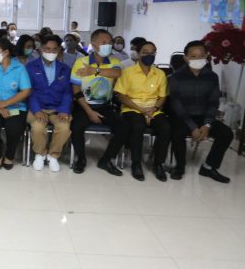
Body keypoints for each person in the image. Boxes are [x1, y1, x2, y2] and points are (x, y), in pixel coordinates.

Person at [169, 40, 232, 183]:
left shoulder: (212, 77)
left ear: (207, 56)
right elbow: (176, 104)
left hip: (203, 117)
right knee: (177, 133)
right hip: (183, 117)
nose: (198, 59)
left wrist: (207, 124)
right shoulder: (176, 77)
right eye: (193, 56)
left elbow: (213, 102)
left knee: (226, 133)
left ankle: (208, 167)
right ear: (186, 58)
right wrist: (192, 127)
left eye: (202, 56)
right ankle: (179, 167)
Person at [70, 29, 127, 176]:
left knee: (123, 126)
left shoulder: (114, 62)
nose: (108, 45)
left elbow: (116, 73)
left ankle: (106, 160)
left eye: (109, 42)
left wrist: (94, 71)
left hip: (105, 106)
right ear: (94, 44)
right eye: (104, 42)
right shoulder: (81, 62)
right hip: (83, 105)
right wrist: (89, 111)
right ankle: (81, 159)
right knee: (76, 126)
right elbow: (76, 90)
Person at [115, 41, 170, 181]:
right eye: (145, 52)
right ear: (139, 54)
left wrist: (154, 109)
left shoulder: (160, 74)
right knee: (137, 125)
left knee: (165, 127)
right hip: (132, 108)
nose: (149, 55)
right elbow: (121, 96)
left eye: (152, 53)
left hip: (153, 109)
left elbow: (163, 96)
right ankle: (136, 163)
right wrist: (141, 110)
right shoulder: (127, 72)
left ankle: (158, 164)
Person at [0, 37, 32, 171]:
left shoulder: (19, 68)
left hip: (15, 106)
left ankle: (9, 156)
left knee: (14, 129)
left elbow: (26, 90)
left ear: (6, 52)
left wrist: (5, 103)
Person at [26, 35, 73, 172]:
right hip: (37, 108)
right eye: (47, 49)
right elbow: (29, 91)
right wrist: (37, 110)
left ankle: (53, 156)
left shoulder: (65, 69)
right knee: (38, 127)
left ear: (59, 50)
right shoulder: (30, 67)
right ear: (41, 49)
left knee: (64, 128)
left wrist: (64, 110)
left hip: (58, 109)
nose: (51, 52)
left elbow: (67, 93)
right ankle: (40, 154)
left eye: (54, 49)